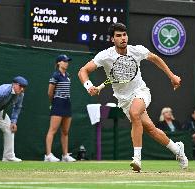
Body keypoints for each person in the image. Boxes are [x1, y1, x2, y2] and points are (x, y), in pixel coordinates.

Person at [78, 23, 188, 172]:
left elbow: (156, 59)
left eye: (124, 35)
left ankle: (137, 159)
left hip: (141, 91)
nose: (123, 38)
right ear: (112, 39)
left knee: (135, 113)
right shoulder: (105, 56)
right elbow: (83, 71)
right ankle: (177, 149)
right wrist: (89, 85)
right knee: (150, 129)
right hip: (124, 100)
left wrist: (172, 76)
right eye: (118, 36)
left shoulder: (137, 50)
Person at [0, 76, 28, 162]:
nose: (22, 89)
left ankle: (8, 156)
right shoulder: (4, 90)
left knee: (10, 129)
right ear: (14, 85)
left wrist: (13, 122)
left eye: (24, 87)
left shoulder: (20, 95)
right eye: (20, 86)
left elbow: (17, 108)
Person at [44, 54, 76, 162]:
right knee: (52, 130)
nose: (66, 63)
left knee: (65, 131)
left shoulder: (68, 75)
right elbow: (49, 92)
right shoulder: (55, 75)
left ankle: (65, 155)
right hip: (58, 103)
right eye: (64, 61)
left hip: (67, 103)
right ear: (59, 63)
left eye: (67, 61)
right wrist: (53, 102)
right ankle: (48, 155)